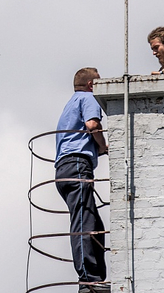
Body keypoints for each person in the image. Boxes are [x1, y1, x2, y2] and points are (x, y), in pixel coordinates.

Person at [54, 67, 110, 293]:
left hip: (65, 168)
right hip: (77, 165)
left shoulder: (70, 103)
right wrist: (103, 146)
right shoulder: (88, 98)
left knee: (94, 224)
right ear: (90, 85)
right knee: (84, 223)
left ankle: (95, 279)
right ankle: (89, 281)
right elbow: (92, 125)